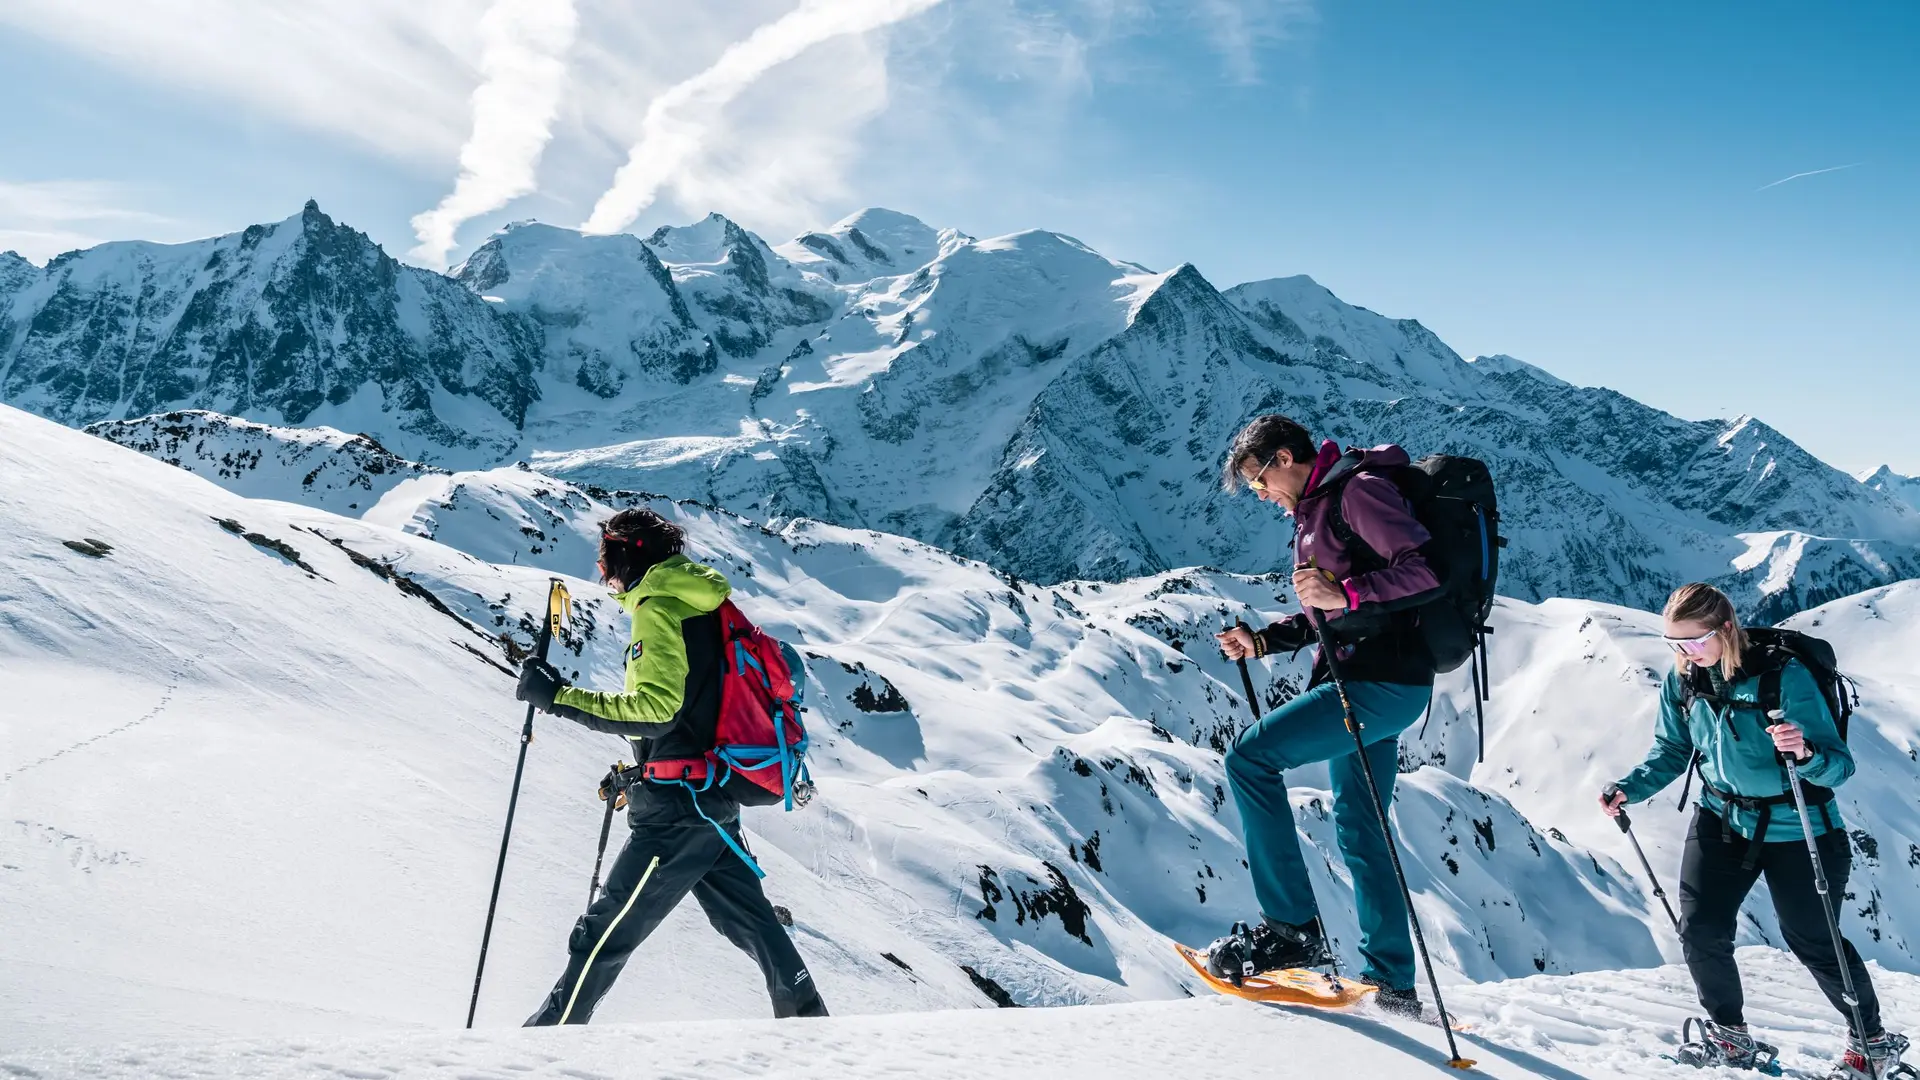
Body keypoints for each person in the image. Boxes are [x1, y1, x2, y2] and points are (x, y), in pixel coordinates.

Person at [513, 508, 828, 1025]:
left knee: (604, 933)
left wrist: (558, 698)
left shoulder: (658, 607)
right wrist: (640, 771)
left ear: (627, 555)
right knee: (751, 923)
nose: (601, 570)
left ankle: (543, 1044)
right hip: (710, 801)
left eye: (605, 558)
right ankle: (810, 1027)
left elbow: (657, 711)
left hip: (677, 814)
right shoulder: (704, 605)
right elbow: (693, 717)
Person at [1601, 583, 1907, 1080]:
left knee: (1813, 939)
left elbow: (1839, 767)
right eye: (1674, 643)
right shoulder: (1683, 680)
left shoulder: (1784, 678)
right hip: (1720, 818)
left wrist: (1804, 752)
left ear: (1725, 629)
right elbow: (1673, 750)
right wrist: (1629, 788)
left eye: (1694, 642)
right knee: (1700, 929)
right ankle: (1730, 1035)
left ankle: (1871, 1042)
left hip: (1798, 826)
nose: (1685, 653)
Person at [1204, 414, 1443, 1018]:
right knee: (1362, 826)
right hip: (1373, 682)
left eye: (1258, 480)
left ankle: (1290, 931)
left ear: (1285, 458)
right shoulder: (1314, 512)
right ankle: (1393, 984)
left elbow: (1425, 571)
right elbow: (1328, 613)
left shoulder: (1356, 493)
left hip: (1378, 682)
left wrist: (1348, 594)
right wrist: (1263, 641)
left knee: (1249, 760)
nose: (1260, 495)